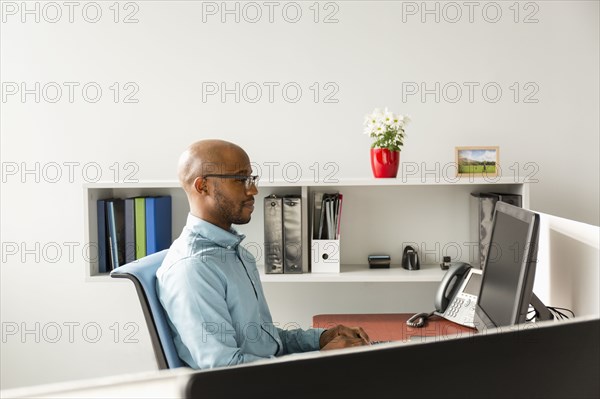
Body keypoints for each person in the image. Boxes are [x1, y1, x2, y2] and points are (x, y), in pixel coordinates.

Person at [157, 139, 370, 369]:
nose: (253, 190)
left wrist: (323, 338)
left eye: (251, 178)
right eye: (240, 180)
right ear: (203, 186)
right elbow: (224, 372)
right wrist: (318, 359)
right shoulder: (193, 268)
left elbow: (267, 343)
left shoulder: (236, 253)